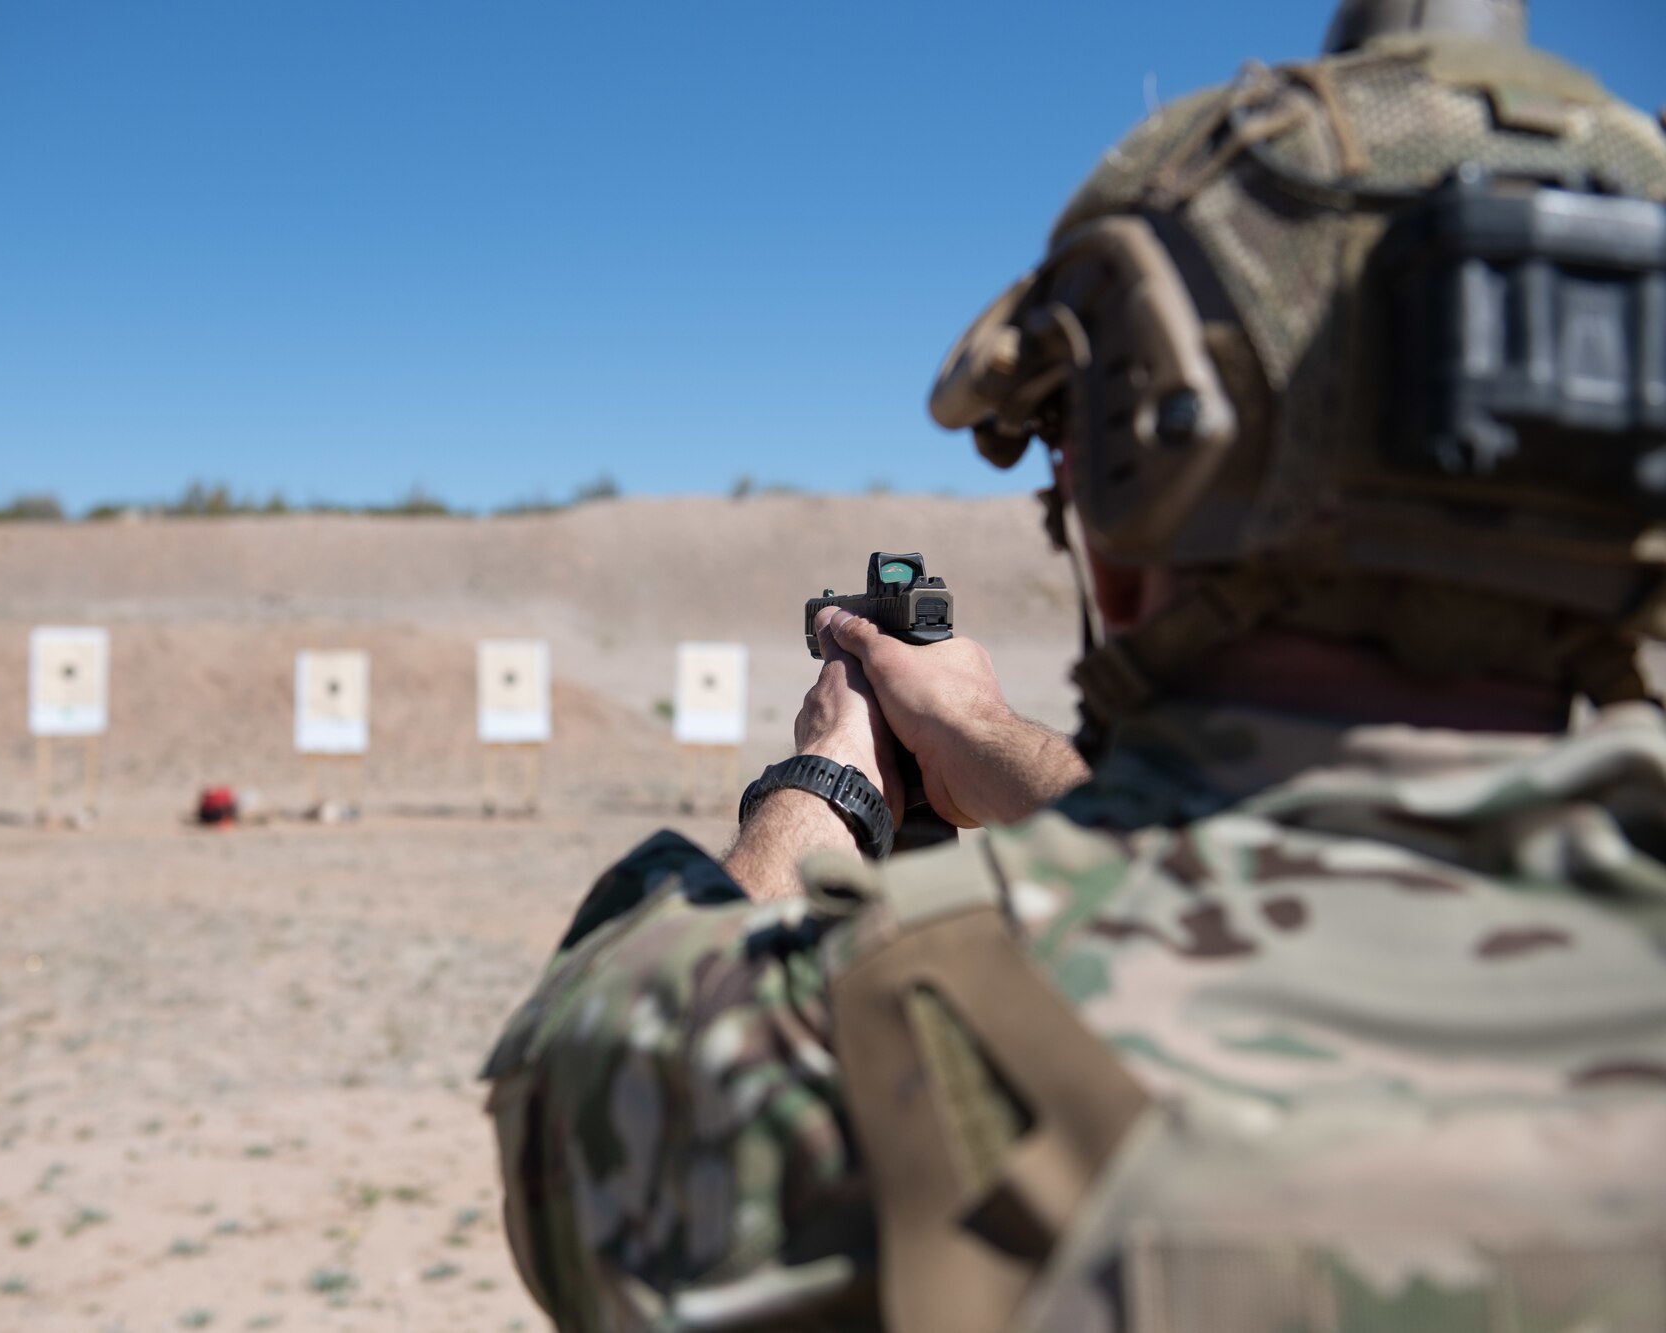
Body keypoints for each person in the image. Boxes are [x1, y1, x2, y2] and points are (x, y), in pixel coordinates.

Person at [484, 1, 1666, 1328]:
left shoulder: (864, 1054)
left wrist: (827, 778)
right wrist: (988, 737)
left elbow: (574, 1085)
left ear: (1125, 531)